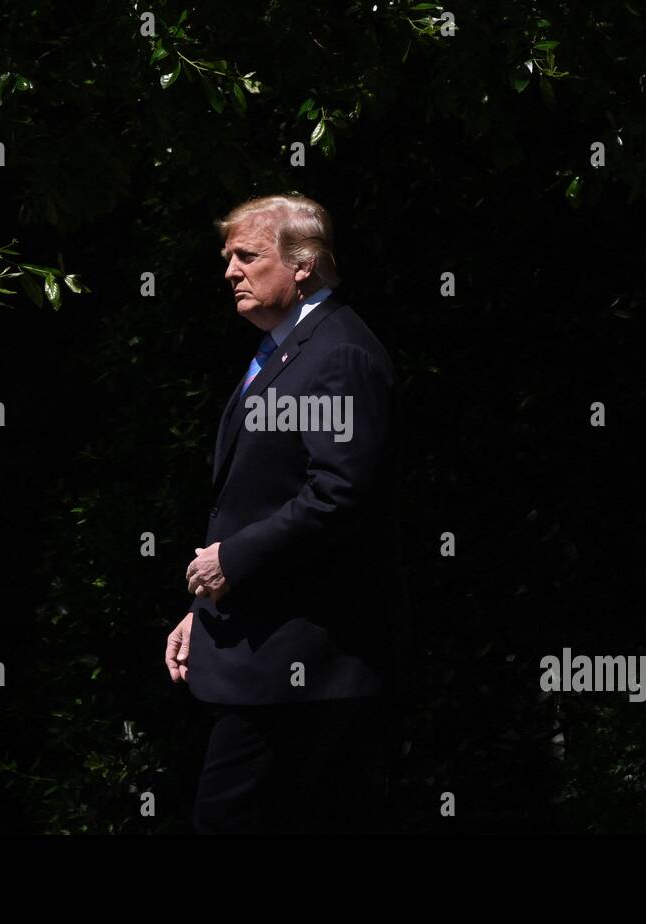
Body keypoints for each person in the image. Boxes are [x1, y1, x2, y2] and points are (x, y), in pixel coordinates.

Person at [164, 192, 409, 834]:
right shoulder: (286, 349)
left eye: (246, 256)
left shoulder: (339, 354)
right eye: (227, 257)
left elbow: (340, 493)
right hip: (266, 656)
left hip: (300, 667)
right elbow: (263, 496)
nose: (229, 271)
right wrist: (205, 610)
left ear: (302, 264)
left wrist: (232, 562)